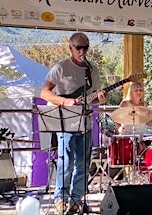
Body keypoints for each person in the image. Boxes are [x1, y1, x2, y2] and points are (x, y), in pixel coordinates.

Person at [40, 32, 107, 214]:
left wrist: (100, 99)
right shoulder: (61, 67)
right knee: (66, 162)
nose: (82, 51)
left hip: (85, 122)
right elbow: (44, 93)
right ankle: (60, 200)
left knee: (83, 164)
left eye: (85, 47)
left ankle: (76, 200)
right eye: (78, 47)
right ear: (71, 48)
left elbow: (91, 98)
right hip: (66, 122)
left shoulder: (92, 70)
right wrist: (65, 101)